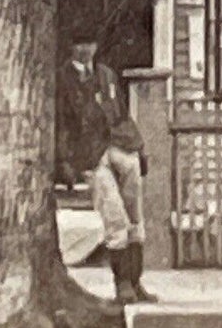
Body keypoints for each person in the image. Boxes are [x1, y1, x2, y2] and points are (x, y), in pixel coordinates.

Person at [55, 34, 156, 304]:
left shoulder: (106, 75)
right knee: (115, 216)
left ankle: (136, 282)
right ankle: (121, 284)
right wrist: (64, 161)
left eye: (90, 43)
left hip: (120, 146)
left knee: (136, 217)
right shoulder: (63, 79)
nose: (86, 49)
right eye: (80, 43)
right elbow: (63, 124)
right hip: (90, 155)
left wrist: (139, 148)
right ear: (71, 46)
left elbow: (122, 114)